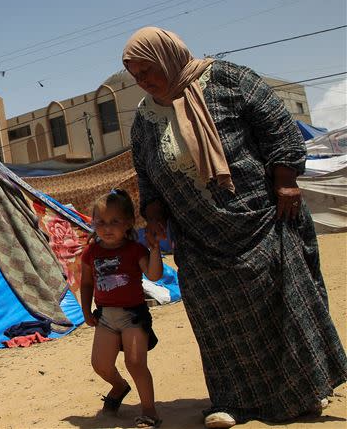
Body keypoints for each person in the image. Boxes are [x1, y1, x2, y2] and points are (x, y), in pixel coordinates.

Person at [122, 26, 347, 428]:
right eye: (136, 75)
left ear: (169, 56)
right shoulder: (144, 118)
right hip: (199, 240)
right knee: (218, 324)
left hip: (260, 220)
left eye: (148, 70)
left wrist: (285, 180)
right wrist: (154, 212)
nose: (143, 81)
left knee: (280, 308)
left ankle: (302, 393)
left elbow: (278, 126)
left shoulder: (227, 79)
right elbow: (146, 173)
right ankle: (233, 402)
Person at [80, 189, 164, 428]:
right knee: (101, 365)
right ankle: (119, 386)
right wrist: (86, 311)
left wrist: (155, 249)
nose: (107, 228)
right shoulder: (91, 252)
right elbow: (86, 283)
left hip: (132, 316)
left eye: (115, 222)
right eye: (101, 222)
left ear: (128, 223)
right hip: (105, 316)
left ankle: (149, 411)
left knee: (135, 363)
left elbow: (155, 275)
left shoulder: (135, 250)